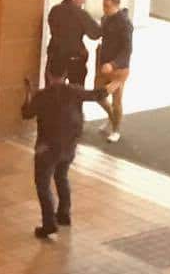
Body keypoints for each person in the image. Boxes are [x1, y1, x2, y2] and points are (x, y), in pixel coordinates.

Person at [22, 57, 110, 238]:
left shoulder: (42, 96)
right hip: (69, 146)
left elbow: (26, 113)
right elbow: (97, 94)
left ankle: (49, 224)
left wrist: (28, 93)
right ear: (65, 75)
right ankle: (64, 214)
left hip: (47, 148)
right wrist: (116, 82)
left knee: (43, 184)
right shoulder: (74, 91)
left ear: (48, 74)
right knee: (61, 177)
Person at [95, 0, 133, 143]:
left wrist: (113, 64)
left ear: (116, 5)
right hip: (104, 65)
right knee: (98, 95)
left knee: (116, 100)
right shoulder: (105, 19)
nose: (104, 9)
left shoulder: (125, 23)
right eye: (103, 5)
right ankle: (112, 118)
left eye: (107, 6)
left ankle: (116, 130)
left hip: (119, 69)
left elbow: (127, 49)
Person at [46, 0, 102, 87]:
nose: (84, 0)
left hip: (56, 55)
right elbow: (95, 34)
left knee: (54, 90)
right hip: (75, 58)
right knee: (77, 90)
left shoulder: (55, 10)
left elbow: (52, 27)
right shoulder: (80, 14)